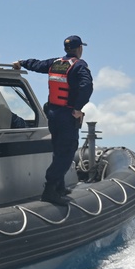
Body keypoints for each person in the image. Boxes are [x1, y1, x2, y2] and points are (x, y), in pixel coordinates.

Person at [13, 35, 93, 206]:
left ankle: (60, 187)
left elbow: (37, 64)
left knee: (58, 150)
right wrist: (78, 109)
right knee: (66, 152)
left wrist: (22, 62)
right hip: (67, 115)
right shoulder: (79, 66)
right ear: (79, 48)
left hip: (53, 114)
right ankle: (50, 190)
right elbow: (87, 86)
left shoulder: (55, 63)